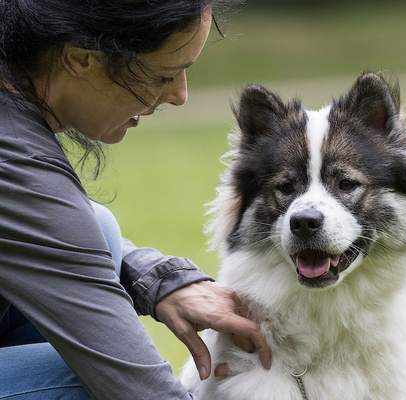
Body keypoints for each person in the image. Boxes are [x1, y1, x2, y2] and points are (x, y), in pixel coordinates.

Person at [0, 0, 271, 399]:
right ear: (79, 58)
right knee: (87, 382)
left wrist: (159, 279)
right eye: (164, 75)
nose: (180, 95)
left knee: (101, 229)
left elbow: (44, 227)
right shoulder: (14, 160)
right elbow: (135, 388)